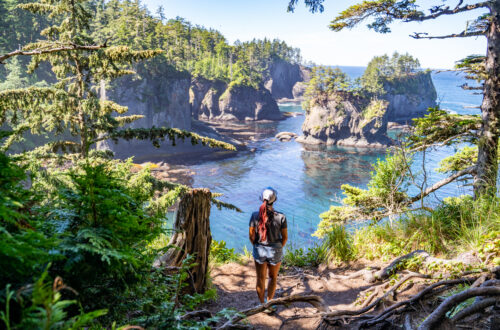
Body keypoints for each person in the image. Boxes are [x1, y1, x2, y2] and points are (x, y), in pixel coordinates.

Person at [248, 187, 288, 309]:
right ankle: (269, 304)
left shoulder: (255, 216)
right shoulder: (281, 217)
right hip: (275, 250)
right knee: (273, 277)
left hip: (260, 249)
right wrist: (278, 247)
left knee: (260, 278)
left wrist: (256, 245)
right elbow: (285, 237)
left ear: (262, 199)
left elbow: (251, 235)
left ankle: (261, 304)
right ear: (274, 200)